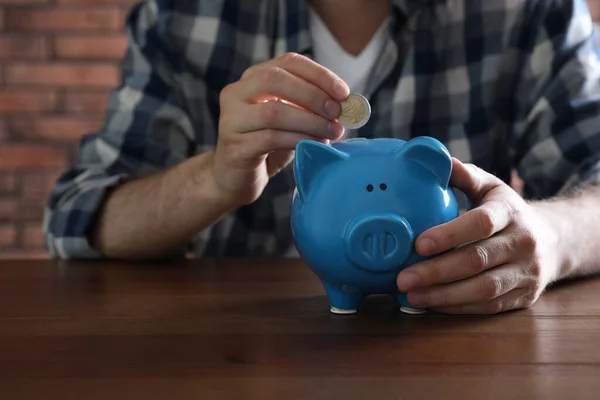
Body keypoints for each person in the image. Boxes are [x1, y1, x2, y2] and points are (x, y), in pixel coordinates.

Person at [43, 0, 600, 315]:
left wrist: (549, 238)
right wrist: (215, 179)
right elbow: (78, 215)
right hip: (247, 356)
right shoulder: (182, 15)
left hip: (446, 347)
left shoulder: (530, 10)